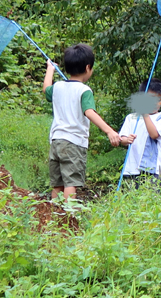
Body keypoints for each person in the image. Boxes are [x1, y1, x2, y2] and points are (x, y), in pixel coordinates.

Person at [43, 43, 121, 201]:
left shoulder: (57, 86)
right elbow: (89, 112)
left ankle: (54, 217)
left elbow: (46, 90)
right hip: (74, 143)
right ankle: (68, 218)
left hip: (56, 141)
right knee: (71, 182)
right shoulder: (84, 91)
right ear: (88, 68)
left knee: (57, 184)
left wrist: (50, 70)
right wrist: (109, 131)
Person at [119, 79, 161, 187]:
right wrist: (126, 140)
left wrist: (145, 113)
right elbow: (122, 139)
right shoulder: (131, 118)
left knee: (152, 199)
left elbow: (154, 135)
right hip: (132, 168)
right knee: (132, 199)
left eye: (159, 99)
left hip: (154, 169)